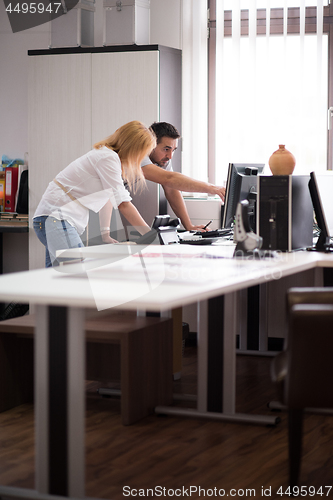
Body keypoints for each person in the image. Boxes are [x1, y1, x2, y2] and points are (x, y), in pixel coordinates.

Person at [33, 121, 155, 267]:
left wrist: (105, 233)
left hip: (52, 218)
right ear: (134, 149)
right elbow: (123, 204)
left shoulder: (107, 156)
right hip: (56, 218)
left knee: (56, 276)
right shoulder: (108, 158)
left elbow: (109, 197)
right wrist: (151, 237)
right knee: (77, 272)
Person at [140, 122, 226, 231]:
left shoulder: (163, 160)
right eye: (166, 149)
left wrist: (189, 226)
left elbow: (172, 190)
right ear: (150, 144)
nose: (170, 156)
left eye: (173, 150)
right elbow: (170, 179)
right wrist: (212, 188)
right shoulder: (139, 156)